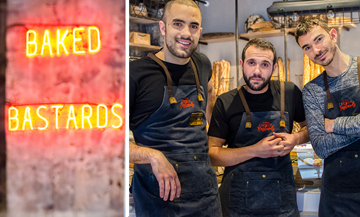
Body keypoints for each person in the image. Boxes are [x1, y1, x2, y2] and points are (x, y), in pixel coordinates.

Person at [129, 0, 221, 216]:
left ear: (200, 30)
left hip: (205, 194)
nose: (186, 33)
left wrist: (213, 135)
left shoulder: (203, 64)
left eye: (193, 26)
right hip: (159, 198)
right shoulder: (136, 74)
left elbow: (209, 91)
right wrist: (153, 156)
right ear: (163, 27)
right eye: (178, 24)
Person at [208, 38, 309, 217]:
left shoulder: (289, 93)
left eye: (264, 64)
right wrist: (256, 150)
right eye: (251, 63)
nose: (257, 71)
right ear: (241, 64)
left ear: (274, 68)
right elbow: (212, 155)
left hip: (281, 201)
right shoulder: (226, 102)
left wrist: (296, 138)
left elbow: (310, 128)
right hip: (237, 203)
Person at [296, 17, 360, 217]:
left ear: (333, 35)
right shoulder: (312, 91)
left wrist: (334, 125)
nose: (315, 50)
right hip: (338, 198)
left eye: (318, 39)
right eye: (307, 47)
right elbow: (321, 147)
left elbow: (327, 139)